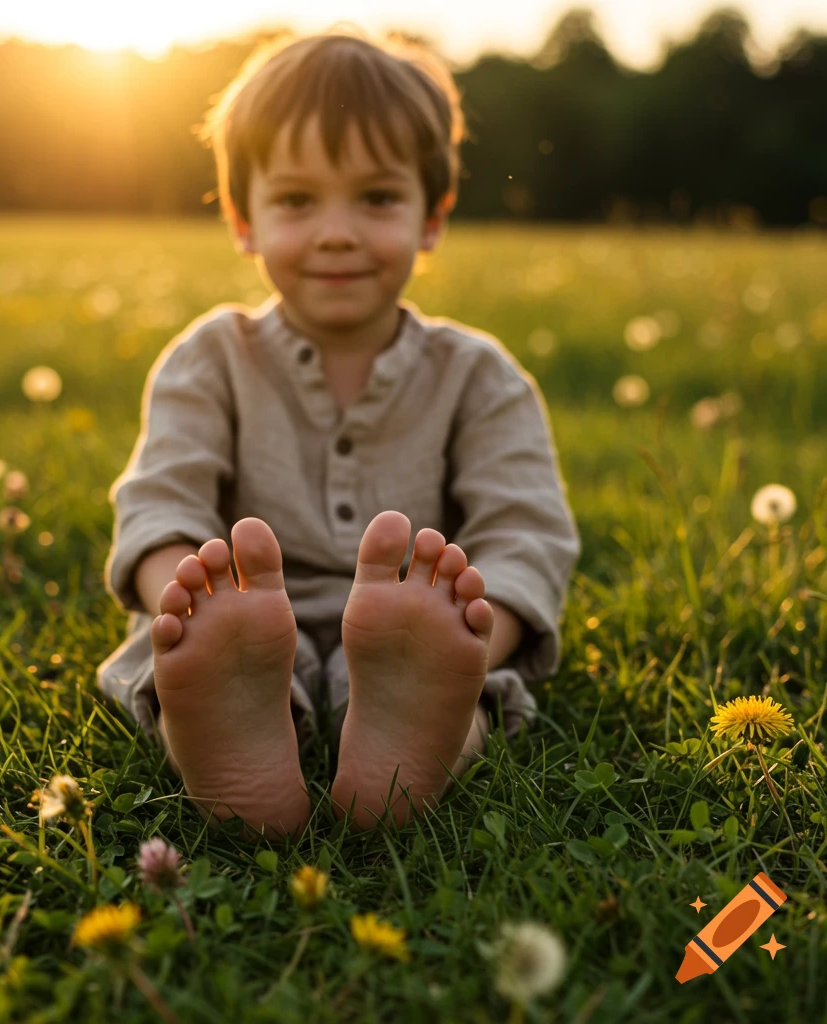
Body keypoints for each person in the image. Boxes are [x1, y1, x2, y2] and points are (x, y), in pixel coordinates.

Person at [97, 27, 580, 840]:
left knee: (466, 693)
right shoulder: (208, 360)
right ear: (242, 221)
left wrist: (469, 637)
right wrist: (187, 611)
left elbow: (525, 532)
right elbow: (158, 509)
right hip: (243, 634)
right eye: (296, 200)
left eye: (377, 198)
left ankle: (420, 731)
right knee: (168, 663)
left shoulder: (480, 375)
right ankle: (227, 717)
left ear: (434, 216)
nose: (336, 231)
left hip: (414, 640)